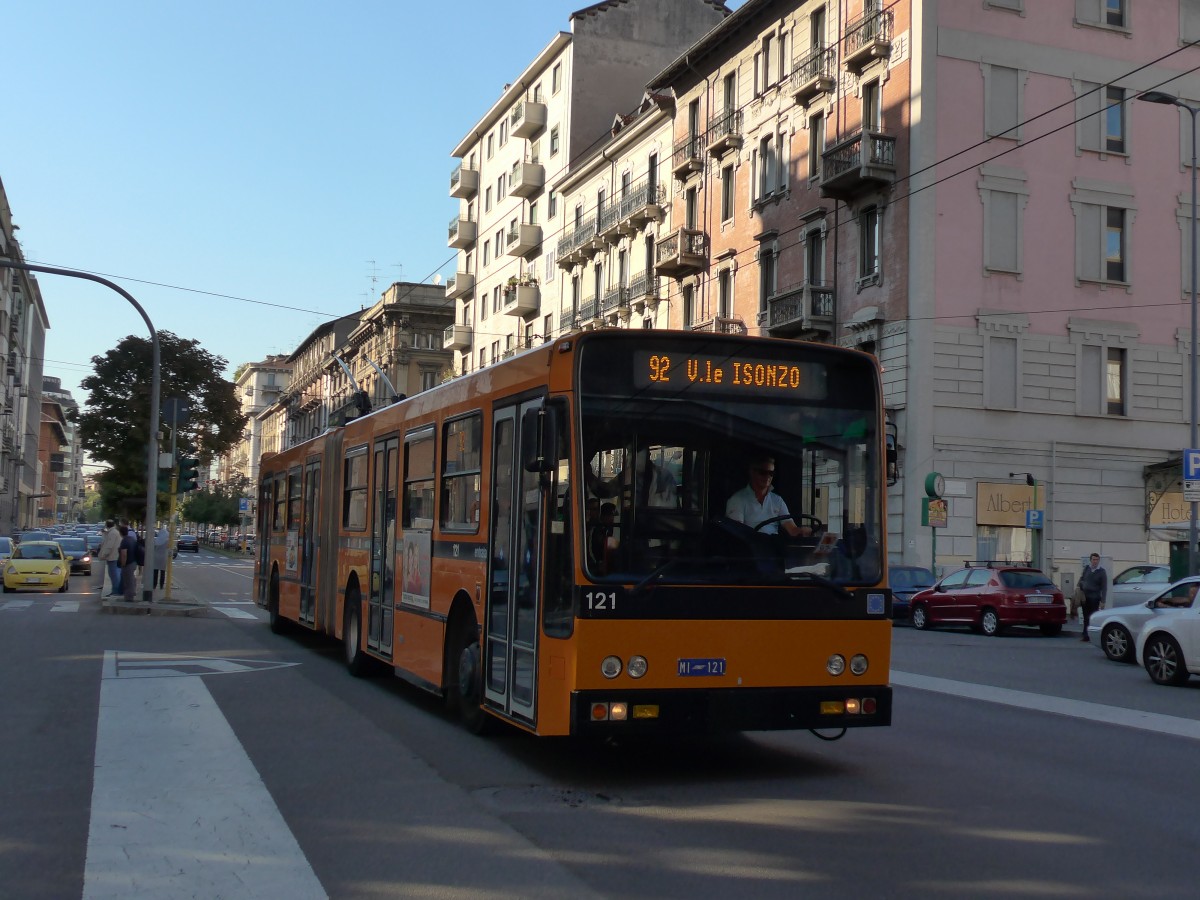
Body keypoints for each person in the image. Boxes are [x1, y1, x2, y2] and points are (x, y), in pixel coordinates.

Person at [726, 455, 811, 537]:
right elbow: (737, 533)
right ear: (752, 472)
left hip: (772, 547)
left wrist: (801, 531)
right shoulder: (737, 500)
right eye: (763, 472)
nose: (767, 477)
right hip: (750, 549)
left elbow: (792, 529)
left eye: (771, 473)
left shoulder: (777, 500)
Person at [1078, 552, 1108, 641]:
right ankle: (1085, 634)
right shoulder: (1087, 568)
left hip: (1094, 597)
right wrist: (1080, 585)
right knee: (1085, 616)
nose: (1095, 561)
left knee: (1092, 616)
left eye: (1097, 560)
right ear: (1090, 560)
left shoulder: (1101, 571)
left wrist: (1103, 601)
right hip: (1085, 596)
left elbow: (1104, 587)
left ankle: (1092, 635)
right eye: (1094, 559)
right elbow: (1082, 578)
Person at [96, 518, 123, 597]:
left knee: (114, 574)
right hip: (113, 557)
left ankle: (116, 591)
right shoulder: (112, 532)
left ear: (106, 525)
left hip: (113, 557)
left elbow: (109, 546)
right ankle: (115, 590)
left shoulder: (112, 533)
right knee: (113, 574)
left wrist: (104, 555)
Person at [118, 524, 140, 602]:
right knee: (132, 579)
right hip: (134, 562)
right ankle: (132, 593)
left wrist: (123, 564)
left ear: (120, 533)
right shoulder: (132, 539)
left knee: (128, 580)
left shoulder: (124, 541)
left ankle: (129, 597)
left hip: (128, 563)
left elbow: (124, 554)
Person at [152, 525, 170, 590]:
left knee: (155, 572)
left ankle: (154, 585)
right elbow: (168, 547)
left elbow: (153, 548)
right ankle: (161, 585)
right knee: (163, 572)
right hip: (163, 557)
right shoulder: (167, 541)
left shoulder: (156, 540)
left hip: (156, 557)